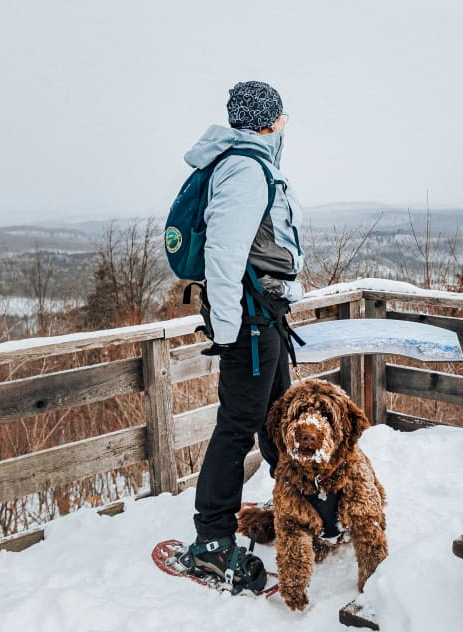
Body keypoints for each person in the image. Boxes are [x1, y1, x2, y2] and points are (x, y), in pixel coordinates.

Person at [175, 80, 306, 587]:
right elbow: (224, 255)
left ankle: (295, 506)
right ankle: (211, 541)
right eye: (280, 116)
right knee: (237, 426)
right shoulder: (244, 170)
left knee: (277, 414)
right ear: (267, 120)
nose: (284, 124)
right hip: (248, 324)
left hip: (263, 314)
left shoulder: (253, 165)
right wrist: (229, 332)